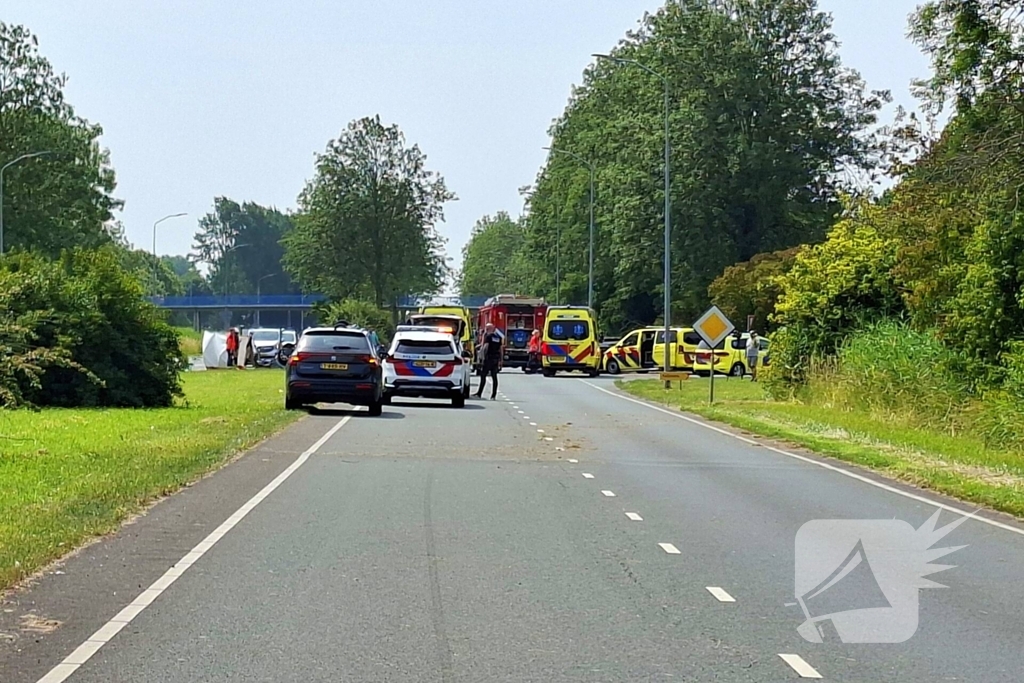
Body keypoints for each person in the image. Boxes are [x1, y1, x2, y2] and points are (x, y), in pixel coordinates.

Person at [474, 323, 503, 400]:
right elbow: (500, 349)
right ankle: (493, 395)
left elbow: (485, 347)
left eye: (487, 328)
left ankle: (479, 393)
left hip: (488, 358)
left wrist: (481, 357)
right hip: (495, 359)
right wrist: (501, 360)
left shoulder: (488, 336)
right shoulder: (498, 337)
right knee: (494, 377)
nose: (486, 330)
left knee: (483, 376)